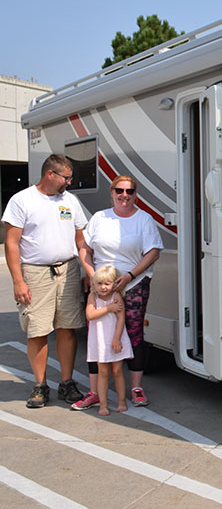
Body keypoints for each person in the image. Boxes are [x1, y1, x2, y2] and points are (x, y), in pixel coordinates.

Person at [2, 154, 86, 408]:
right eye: (66, 177)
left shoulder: (70, 201)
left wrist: (88, 271)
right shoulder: (22, 200)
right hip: (35, 273)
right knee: (38, 330)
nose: (69, 182)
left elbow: (81, 239)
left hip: (68, 270)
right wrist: (18, 281)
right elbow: (12, 243)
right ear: (50, 174)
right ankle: (40, 386)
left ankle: (67, 383)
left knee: (67, 328)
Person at [74, 174, 163, 410]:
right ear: (112, 192)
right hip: (102, 288)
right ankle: (94, 392)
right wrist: (92, 275)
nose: (125, 195)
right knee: (97, 336)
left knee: (134, 335)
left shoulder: (144, 219)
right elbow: (85, 249)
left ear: (135, 194)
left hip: (133, 284)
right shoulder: (100, 218)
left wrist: (130, 276)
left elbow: (153, 252)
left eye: (130, 191)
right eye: (120, 191)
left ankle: (136, 388)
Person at [85, 265, 130, 415]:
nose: (103, 287)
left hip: (114, 337)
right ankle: (103, 405)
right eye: (99, 284)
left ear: (114, 284)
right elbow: (90, 315)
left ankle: (121, 401)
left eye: (107, 284)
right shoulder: (93, 297)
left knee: (117, 370)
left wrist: (117, 339)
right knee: (103, 372)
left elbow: (121, 317)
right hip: (99, 338)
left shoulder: (116, 296)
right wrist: (108, 309)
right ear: (94, 284)